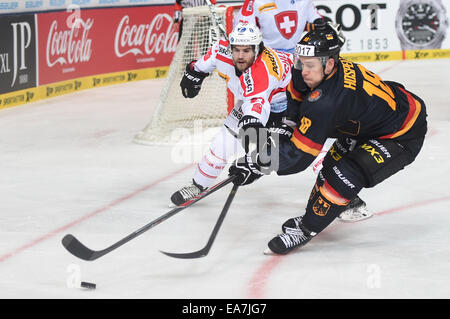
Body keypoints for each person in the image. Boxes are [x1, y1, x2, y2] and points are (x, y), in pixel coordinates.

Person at [228, 20, 428, 255]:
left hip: (401, 133)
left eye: (310, 66)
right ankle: (348, 202)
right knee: (331, 164)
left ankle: (305, 228)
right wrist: (289, 125)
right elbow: (296, 93)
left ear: (330, 63)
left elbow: (300, 157)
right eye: (301, 63)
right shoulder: (314, 68)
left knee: (345, 174)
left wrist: (258, 164)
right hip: (370, 121)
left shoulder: (328, 100)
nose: (303, 71)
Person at [236, 0, 372, 222]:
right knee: (259, 126)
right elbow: (243, 34)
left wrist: (326, 30)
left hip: (300, 66)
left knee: (309, 135)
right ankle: (210, 176)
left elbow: (319, 24)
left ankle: (345, 194)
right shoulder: (254, 3)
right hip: (270, 65)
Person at [170, 22, 293, 206]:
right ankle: (197, 185)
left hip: (291, 104)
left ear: (257, 49)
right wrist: (194, 72)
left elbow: (256, 109)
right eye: (236, 50)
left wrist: (256, 155)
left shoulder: (262, 72)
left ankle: (343, 195)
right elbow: (204, 63)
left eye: (246, 51)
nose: (241, 56)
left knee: (303, 149)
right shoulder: (221, 51)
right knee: (222, 144)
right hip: (257, 100)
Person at [235, 0, 322, 54]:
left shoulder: (304, 1)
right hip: (267, 54)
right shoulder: (254, 2)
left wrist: (321, 24)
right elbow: (240, 29)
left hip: (298, 54)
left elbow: (316, 18)